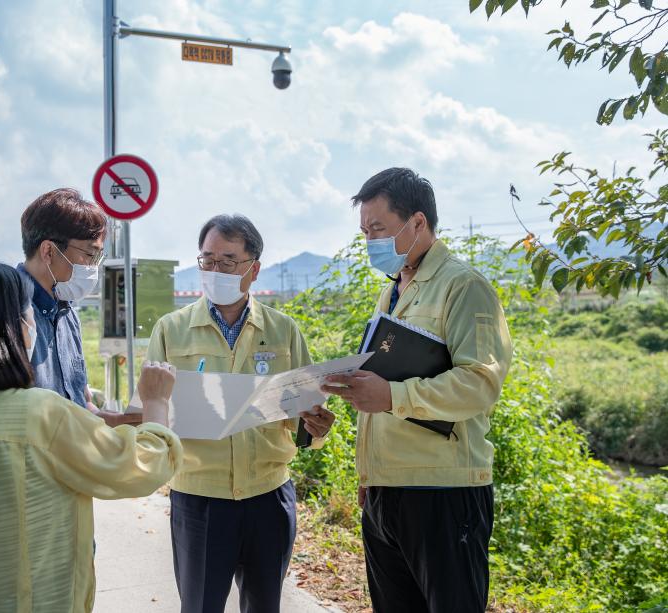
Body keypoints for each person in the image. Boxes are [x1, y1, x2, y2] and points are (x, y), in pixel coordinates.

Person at [0, 260, 182, 613]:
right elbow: (142, 467)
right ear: (13, 330)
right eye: (29, 317)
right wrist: (156, 403)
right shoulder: (41, 414)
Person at [321, 168, 513, 613]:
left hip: (442, 492)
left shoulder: (463, 287)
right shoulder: (391, 293)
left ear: (418, 223)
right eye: (365, 231)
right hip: (386, 492)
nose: (370, 241)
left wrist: (391, 396)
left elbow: (480, 383)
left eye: (378, 229)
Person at [146, 214, 336, 613]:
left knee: (265, 605)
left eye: (228, 262)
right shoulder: (171, 330)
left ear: (254, 268)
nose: (215, 270)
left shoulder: (283, 331)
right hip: (200, 498)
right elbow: (151, 410)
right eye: (207, 260)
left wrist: (315, 426)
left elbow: (303, 415)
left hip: (268, 495)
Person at [18, 188, 140, 427]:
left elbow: (80, 403)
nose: (93, 267)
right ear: (48, 251)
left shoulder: (67, 312)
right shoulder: (7, 309)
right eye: (90, 254)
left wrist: (122, 422)